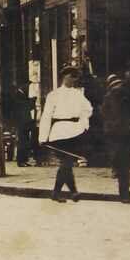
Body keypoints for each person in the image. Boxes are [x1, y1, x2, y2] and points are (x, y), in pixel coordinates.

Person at [38, 65, 93, 202]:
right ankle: (72, 192)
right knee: (66, 162)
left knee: (66, 163)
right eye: (69, 76)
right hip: (59, 132)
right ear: (64, 77)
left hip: (75, 131)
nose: (72, 80)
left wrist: (84, 124)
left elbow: (88, 110)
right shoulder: (54, 95)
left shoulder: (78, 94)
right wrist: (42, 137)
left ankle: (58, 194)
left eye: (74, 77)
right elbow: (46, 116)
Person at [101, 73, 130, 201]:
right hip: (125, 133)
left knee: (122, 163)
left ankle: (124, 193)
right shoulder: (126, 97)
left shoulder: (109, 97)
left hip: (118, 134)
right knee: (126, 164)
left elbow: (104, 115)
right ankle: (126, 193)